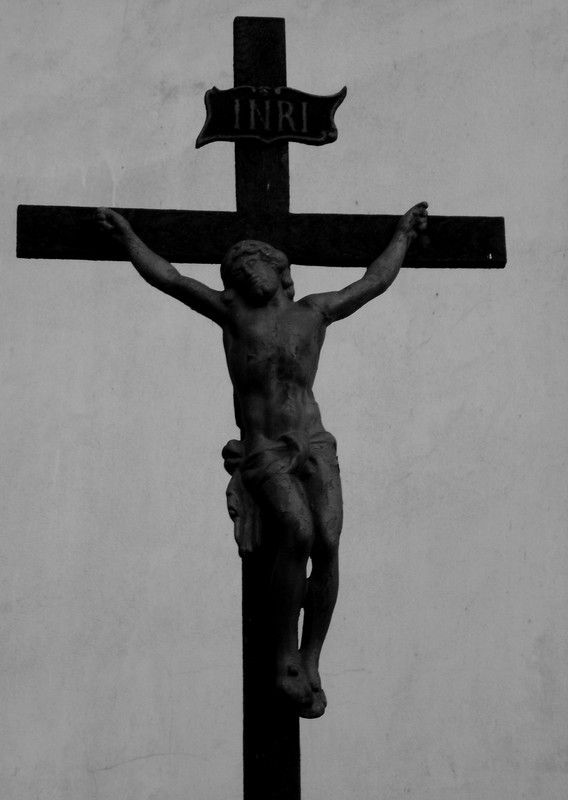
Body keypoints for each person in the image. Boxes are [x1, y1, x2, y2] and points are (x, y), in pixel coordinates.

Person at [97, 202, 428, 718]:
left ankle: (311, 655)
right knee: (298, 531)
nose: (245, 273)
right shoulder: (233, 316)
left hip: (314, 442)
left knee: (329, 541)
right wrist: (128, 239)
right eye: (236, 271)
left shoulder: (314, 312)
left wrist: (403, 236)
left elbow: (372, 282)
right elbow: (171, 278)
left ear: (278, 269)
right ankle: (284, 656)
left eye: (253, 263)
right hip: (266, 449)